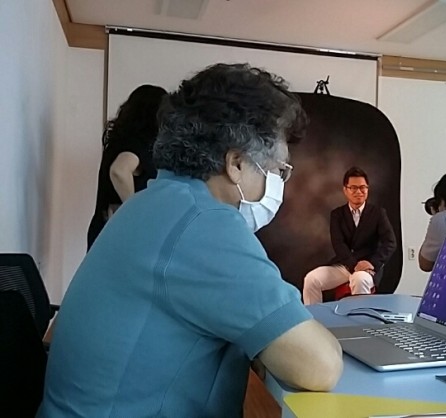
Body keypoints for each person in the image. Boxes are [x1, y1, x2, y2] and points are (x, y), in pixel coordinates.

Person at [38, 63, 343, 417]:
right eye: (278, 170)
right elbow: (320, 366)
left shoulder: (152, 202)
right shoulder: (202, 223)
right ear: (236, 163)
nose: (278, 184)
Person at [86, 84, 168, 250]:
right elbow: (119, 171)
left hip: (105, 228)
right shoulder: (138, 143)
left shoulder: (120, 141)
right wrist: (134, 211)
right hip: (121, 232)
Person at [302, 167, 396, 305]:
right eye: (353, 188)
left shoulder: (378, 213)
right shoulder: (337, 214)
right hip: (344, 265)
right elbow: (338, 244)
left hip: (368, 267)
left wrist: (372, 263)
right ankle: (314, 317)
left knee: (359, 279)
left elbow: (390, 242)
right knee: (311, 279)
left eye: (362, 187)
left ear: (367, 189)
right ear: (345, 190)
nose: (359, 191)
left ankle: (360, 318)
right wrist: (353, 265)